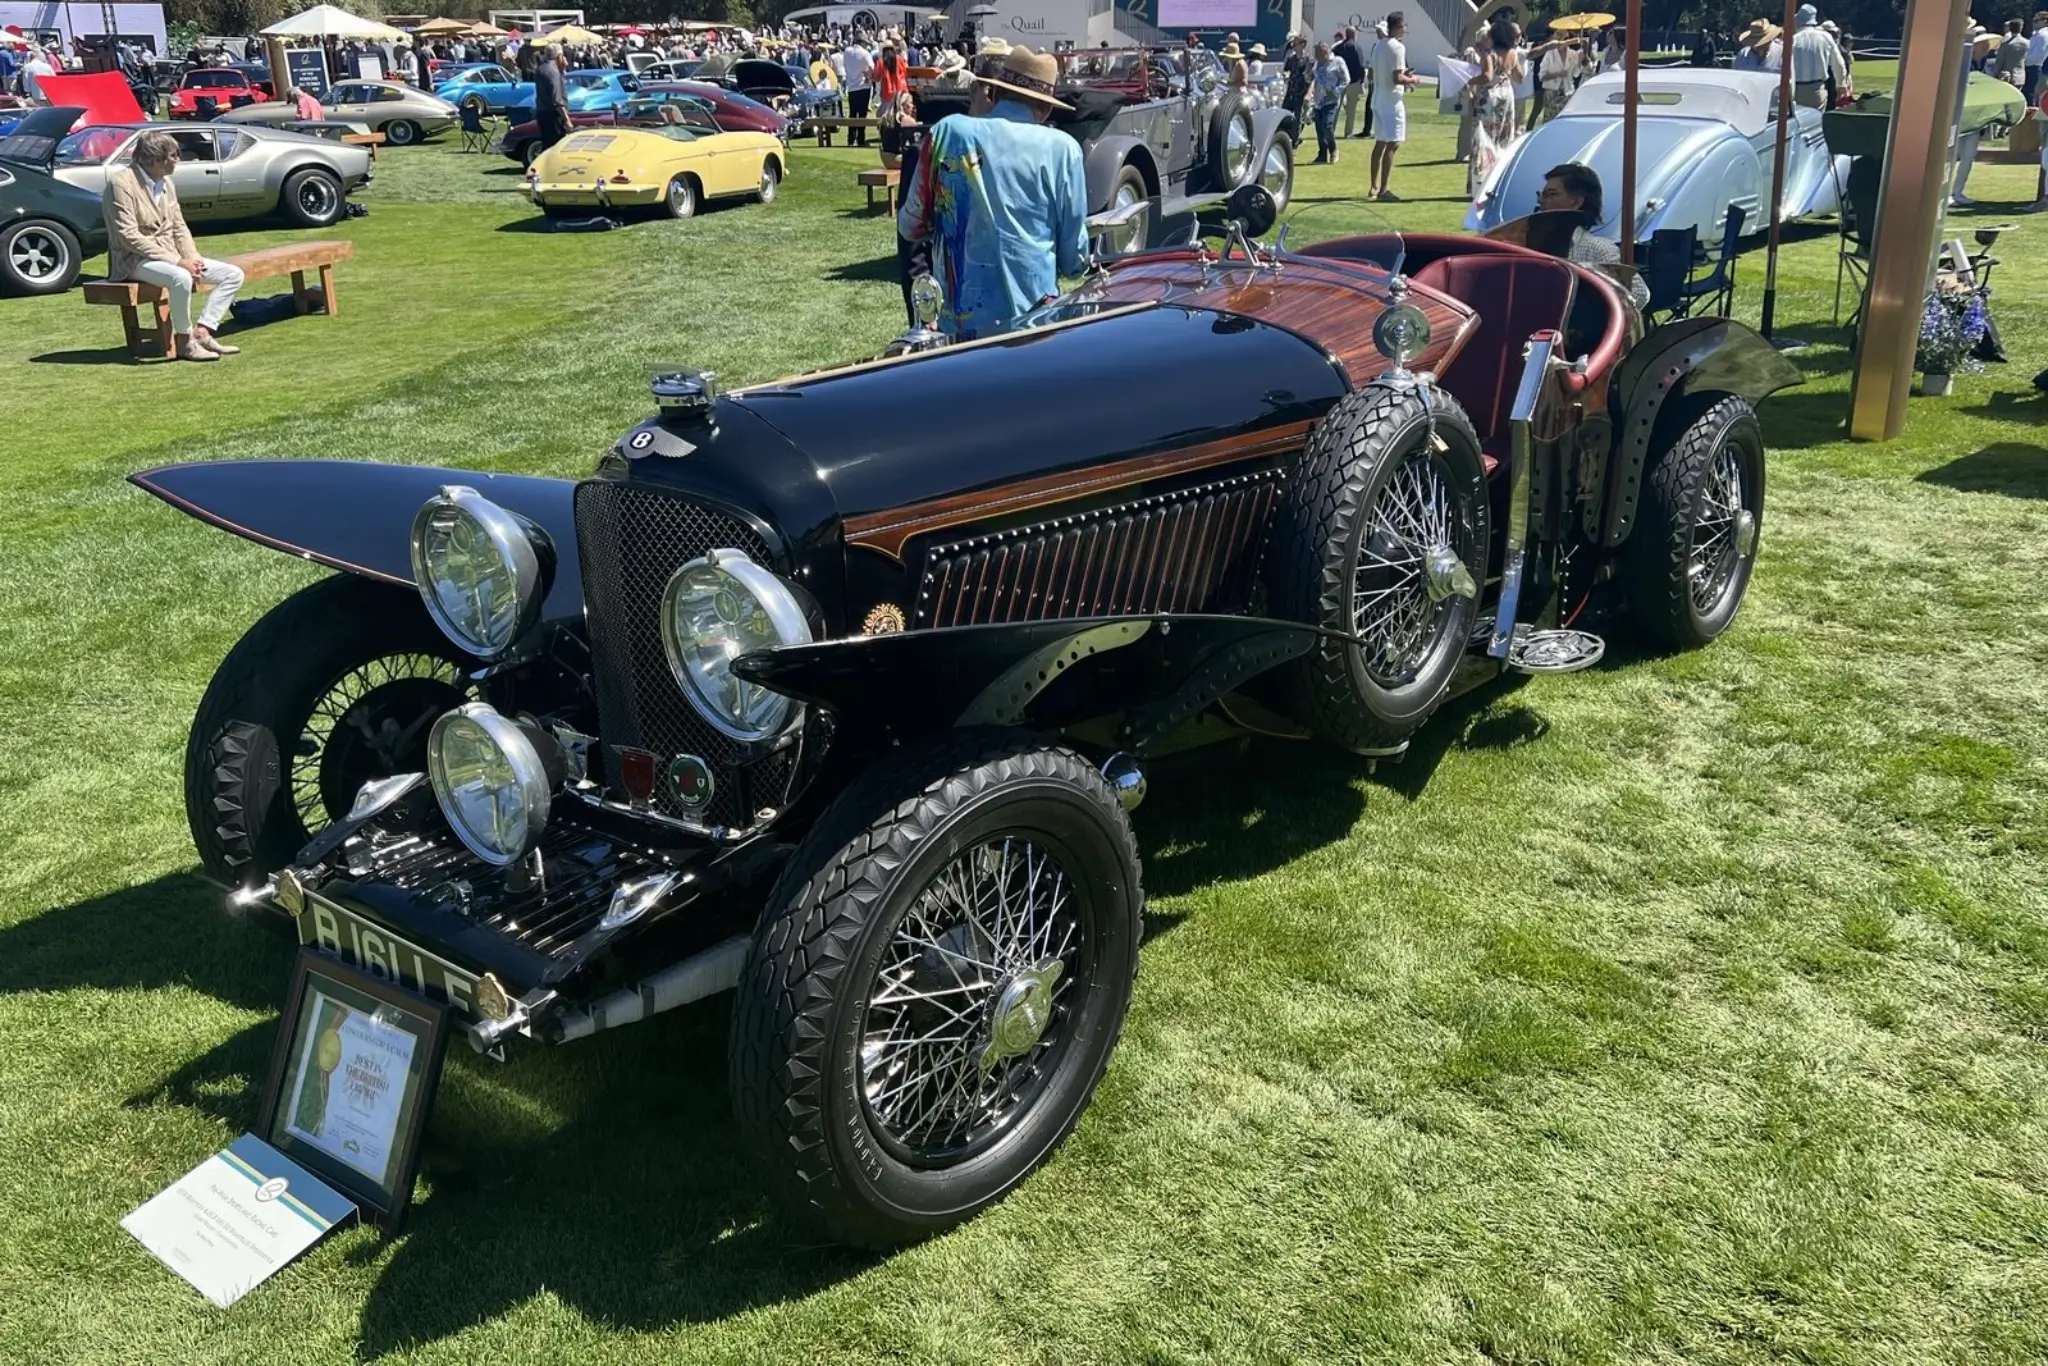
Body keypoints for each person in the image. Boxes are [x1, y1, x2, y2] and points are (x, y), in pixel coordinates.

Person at [897, 46, 1086, 340]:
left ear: (996, 94)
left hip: (958, 326)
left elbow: (910, 227)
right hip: (1034, 324)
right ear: (1046, 107)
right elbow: (1074, 262)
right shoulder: (1064, 149)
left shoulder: (947, 132)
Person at [103, 131, 244, 362]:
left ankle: (203, 332)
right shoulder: (121, 183)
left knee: (232, 274)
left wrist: (192, 258)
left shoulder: (166, 182)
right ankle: (185, 342)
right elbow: (127, 236)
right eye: (174, 155)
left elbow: (179, 226)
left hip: (172, 257)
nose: (179, 159)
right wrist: (178, 262)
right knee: (181, 278)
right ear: (155, 159)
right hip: (133, 260)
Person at [1535, 162, 1651, 309]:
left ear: (1576, 202)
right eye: (1541, 195)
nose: (1541, 201)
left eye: (1550, 194)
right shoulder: (1531, 243)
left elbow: (1639, 294)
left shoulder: (1599, 249)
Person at [1367, 12, 1422, 201]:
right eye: (1404, 25)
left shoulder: (1378, 46)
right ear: (1398, 26)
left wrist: (1403, 75)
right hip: (1391, 101)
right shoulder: (1398, 47)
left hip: (1378, 98)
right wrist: (1412, 79)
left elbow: (1375, 73)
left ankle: (1373, 186)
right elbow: (1397, 78)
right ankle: (1384, 188)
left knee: (1380, 143)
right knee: (1393, 142)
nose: (1405, 29)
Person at [1467, 20, 1524, 196]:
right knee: (1504, 137)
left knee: (1484, 138)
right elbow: (1519, 77)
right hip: (1507, 94)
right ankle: (1499, 178)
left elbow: (1487, 76)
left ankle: (1481, 182)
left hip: (1489, 96)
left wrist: (1469, 81)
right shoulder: (1513, 53)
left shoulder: (1489, 53)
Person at [1790, 5, 1850, 109]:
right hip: (1818, 89)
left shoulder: (1793, 39)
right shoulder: (1825, 37)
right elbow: (1838, 63)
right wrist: (1841, 84)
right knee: (1817, 122)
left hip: (1795, 90)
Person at [1455, 27, 1492, 163]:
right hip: (1469, 90)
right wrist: (1469, 91)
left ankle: (1479, 151)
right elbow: (1464, 73)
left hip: (1482, 92)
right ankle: (1463, 152)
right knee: (1466, 122)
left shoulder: (1489, 53)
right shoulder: (1470, 52)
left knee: (1480, 122)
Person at [1310, 41, 1346, 165]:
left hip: (1331, 99)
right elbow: (1312, 78)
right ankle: (1322, 154)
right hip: (1319, 100)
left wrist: (1337, 90)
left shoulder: (1337, 61)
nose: (1316, 56)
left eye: (1318, 53)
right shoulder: (1316, 65)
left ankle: (1333, 149)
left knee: (1327, 125)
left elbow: (1346, 79)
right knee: (1319, 128)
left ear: (1325, 52)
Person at [533, 44, 570, 151]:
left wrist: (562, 68)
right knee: (557, 146)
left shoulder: (541, 69)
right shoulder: (553, 72)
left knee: (547, 145)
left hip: (542, 113)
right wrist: (567, 120)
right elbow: (557, 100)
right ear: (559, 56)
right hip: (554, 116)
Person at [1333, 26, 1366, 140]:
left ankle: (1330, 130)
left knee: (1336, 107)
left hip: (1340, 81)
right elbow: (1361, 65)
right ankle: (1348, 132)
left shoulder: (1338, 48)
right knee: (1351, 109)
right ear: (1354, 34)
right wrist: (1361, 79)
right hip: (1353, 81)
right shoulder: (1357, 47)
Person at [843, 34, 875, 146]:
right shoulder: (865, 53)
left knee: (852, 114)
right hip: (862, 86)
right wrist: (868, 77)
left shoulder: (847, 52)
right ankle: (861, 139)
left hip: (851, 87)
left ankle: (850, 139)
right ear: (862, 43)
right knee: (862, 115)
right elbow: (871, 68)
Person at [1281, 33, 1312, 125]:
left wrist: (1309, 93)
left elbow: (1312, 78)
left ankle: (1296, 138)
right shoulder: (1291, 59)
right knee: (1284, 115)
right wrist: (1285, 75)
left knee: (1298, 118)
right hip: (1290, 92)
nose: (1293, 46)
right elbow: (1286, 71)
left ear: (1303, 45)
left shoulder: (1308, 60)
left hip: (1301, 92)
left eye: (1295, 44)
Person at [1999, 19, 2028, 87]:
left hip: (2006, 76)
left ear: (2009, 28)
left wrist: (1995, 74)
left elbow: (1999, 61)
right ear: (2021, 28)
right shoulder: (2027, 43)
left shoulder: (2005, 45)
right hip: (2020, 76)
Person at [2028, 12, 2048, 103]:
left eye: (2036, 21)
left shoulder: (2043, 35)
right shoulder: (2037, 35)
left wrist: (2022, 61)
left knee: (2033, 95)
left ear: (2045, 21)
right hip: (2034, 67)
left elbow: (2037, 57)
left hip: (2036, 68)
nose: (2033, 23)